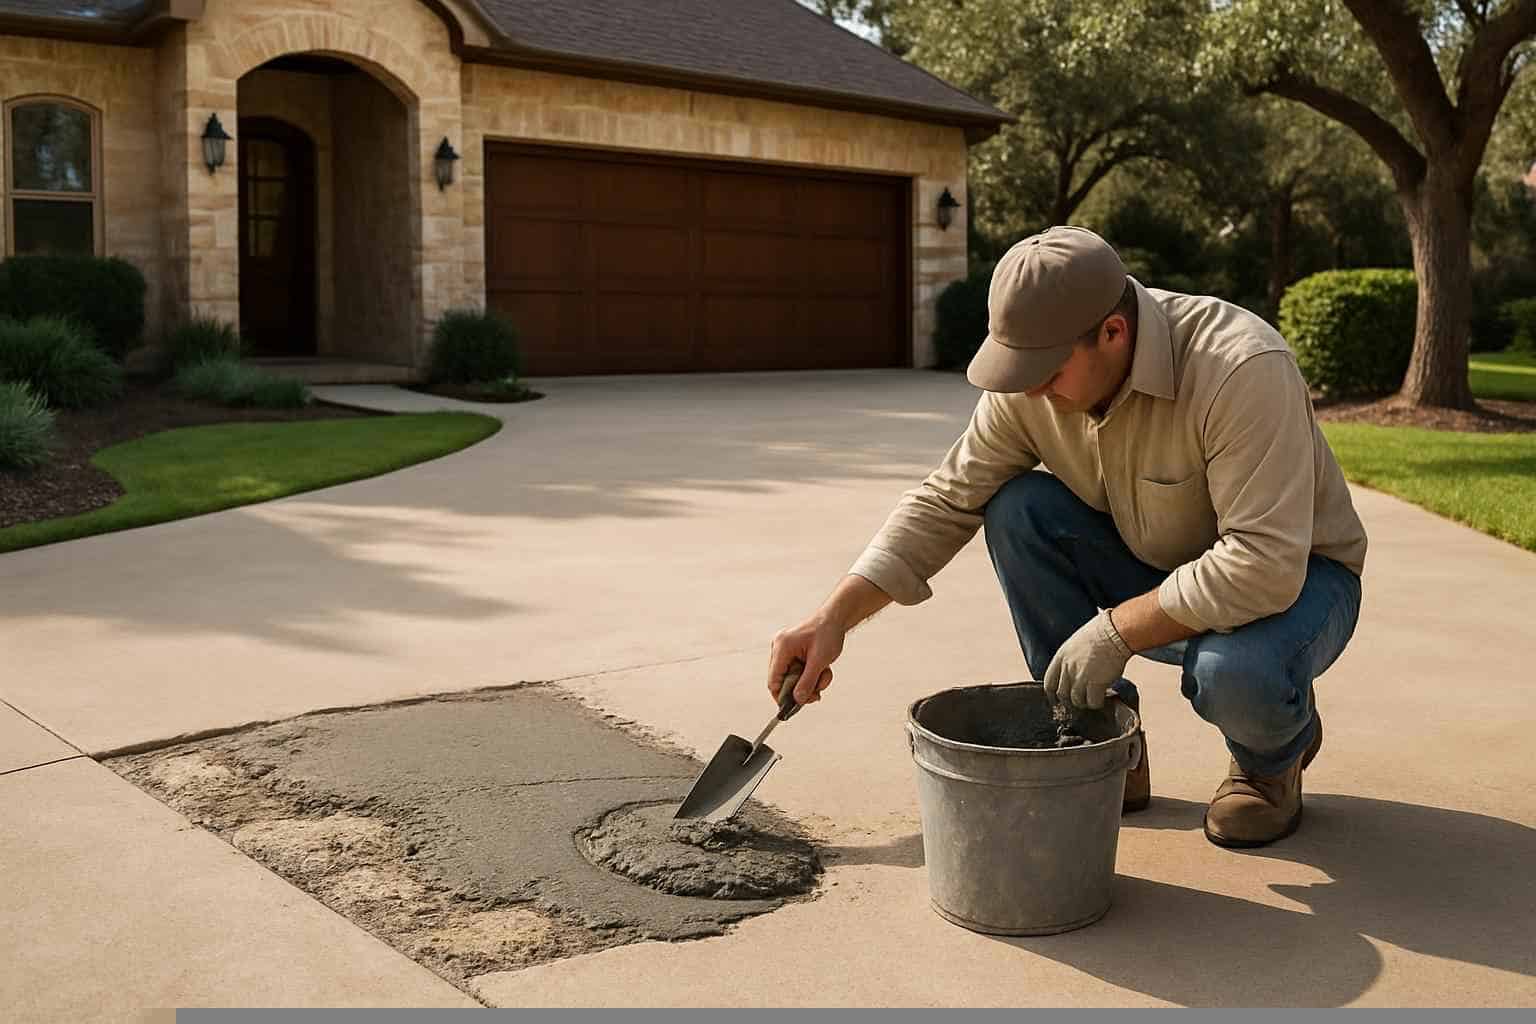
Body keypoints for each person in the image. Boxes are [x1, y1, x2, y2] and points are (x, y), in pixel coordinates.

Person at [766, 225, 1367, 848]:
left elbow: (1262, 564)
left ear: (1113, 331)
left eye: (1045, 372)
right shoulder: (1034, 382)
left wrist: (1115, 632)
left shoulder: (1238, 368)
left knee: (1236, 674)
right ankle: (1104, 743)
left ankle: (1272, 761)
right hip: (1154, 560)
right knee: (1017, 506)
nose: (1029, 390)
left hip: (1298, 585)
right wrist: (832, 616)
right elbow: (946, 498)